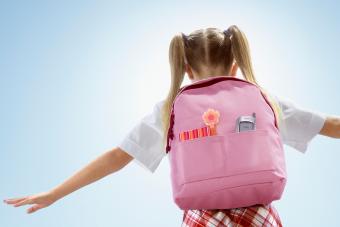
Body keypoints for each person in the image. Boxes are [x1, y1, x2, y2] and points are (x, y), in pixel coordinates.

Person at [3, 25, 340, 227]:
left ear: (187, 69)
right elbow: (331, 125)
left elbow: (115, 157)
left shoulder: (170, 109)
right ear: (236, 65)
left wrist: (54, 194)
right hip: (259, 218)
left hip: (202, 220)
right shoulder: (265, 99)